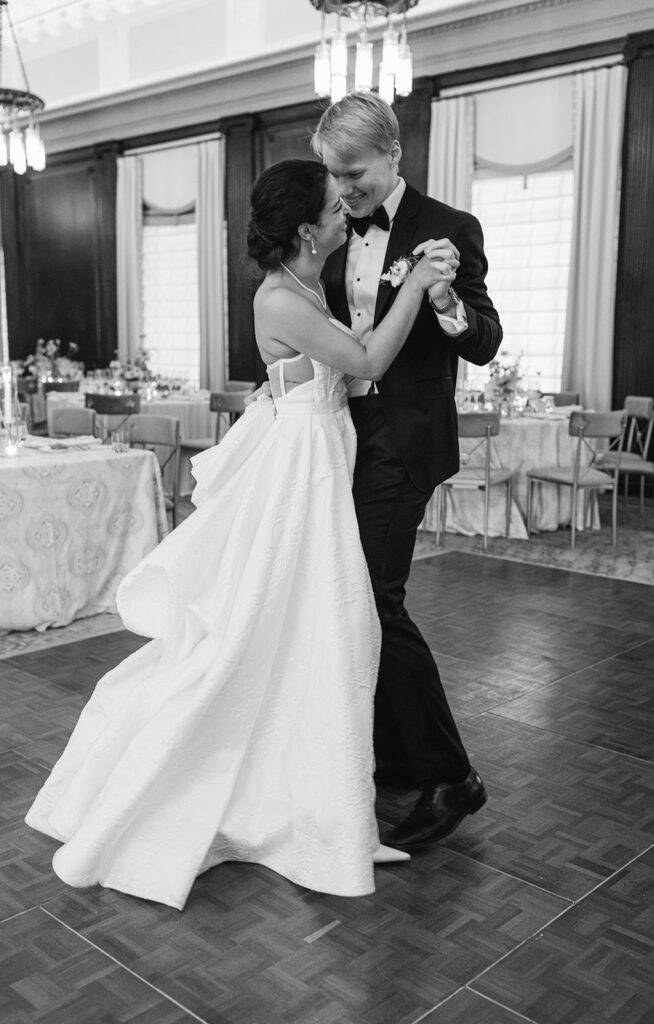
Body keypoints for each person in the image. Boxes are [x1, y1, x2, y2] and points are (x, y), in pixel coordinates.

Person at [24, 159, 456, 910]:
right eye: (332, 208)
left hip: (321, 455)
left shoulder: (301, 284)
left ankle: (325, 802)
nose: (343, 216)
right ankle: (285, 804)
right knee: (303, 626)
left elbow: (329, 373)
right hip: (302, 473)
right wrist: (413, 288)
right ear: (304, 231)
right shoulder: (280, 299)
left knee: (328, 632)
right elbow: (367, 360)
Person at [312, 92, 503, 851]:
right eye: (333, 174)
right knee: (352, 596)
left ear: (392, 155)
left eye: (353, 172)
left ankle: (450, 774)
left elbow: (483, 343)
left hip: (404, 435)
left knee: (375, 596)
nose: (344, 188)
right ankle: (392, 753)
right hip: (339, 436)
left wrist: (447, 295)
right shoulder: (329, 229)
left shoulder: (448, 229)